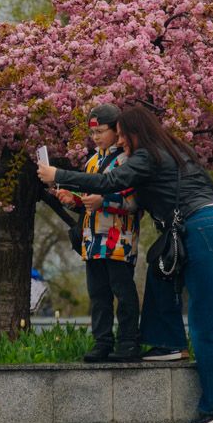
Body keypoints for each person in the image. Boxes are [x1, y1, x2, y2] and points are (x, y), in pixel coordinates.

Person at [38, 105, 213, 423]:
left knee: (207, 320)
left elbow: (109, 182)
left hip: (200, 228)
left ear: (135, 133)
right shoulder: (176, 148)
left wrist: (57, 175)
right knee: (158, 265)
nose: (120, 143)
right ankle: (168, 343)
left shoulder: (146, 156)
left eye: (122, 136)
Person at [55, 104, 142, 363]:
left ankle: (129, 341)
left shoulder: (128, 159)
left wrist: (103, 202)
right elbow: (88, 196)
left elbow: (135, 201)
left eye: (101, 131)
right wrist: (74, 199)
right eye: (93, 133)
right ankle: (102, 341)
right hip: (93, 239)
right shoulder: (92, 160)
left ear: (117, 130)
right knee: (98, 294)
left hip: (119, 239)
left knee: (123, 292)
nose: (96, 137)